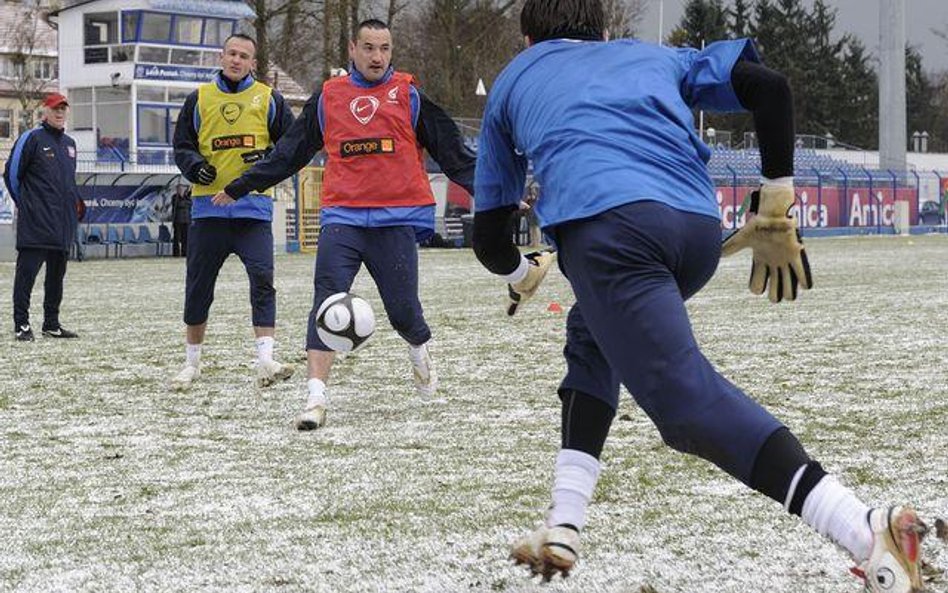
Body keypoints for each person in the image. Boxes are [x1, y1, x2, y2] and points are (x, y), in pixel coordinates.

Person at [471, 1, 928, 591]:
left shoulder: (516, 77)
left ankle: (864, 528)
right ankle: (564, 523)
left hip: (612, 232)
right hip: (693, 231)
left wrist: (517, 271)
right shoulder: (654, 55)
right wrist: (777, 195)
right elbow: (769, 87)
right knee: (593, 336)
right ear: (606, 32)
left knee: (686, 407)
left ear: (529, 39)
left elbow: (487, 235)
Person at [215, 18, 476, 430]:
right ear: (352, 49)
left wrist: (491, 190)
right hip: (343, 219)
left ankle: (419, 349)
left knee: (404, 314)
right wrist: (242, 185)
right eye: (369, 47)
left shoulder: (409, 96)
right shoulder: (329, 97)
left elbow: (452, 151)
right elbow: (291, 151)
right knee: (326, 302)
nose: (377, 56)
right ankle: (315, 399)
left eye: (384, 48)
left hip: (394, 221)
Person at [170, 33, 296, 391]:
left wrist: (266, 162)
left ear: (254, 63)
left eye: (245, 56)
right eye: (232, 54)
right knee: (198, 287)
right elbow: (181, 146)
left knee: (262, 280)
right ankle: (191, 364)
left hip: (253, 211)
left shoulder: (269, 99)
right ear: (221, 57)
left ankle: (266, 359)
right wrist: (194, 167)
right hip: (208, 212)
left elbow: (290, 146)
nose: (237, 60)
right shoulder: (199, 99)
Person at [3, 92, 82, 341]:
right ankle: (22, 325)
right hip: (36, 224)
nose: (59, 113)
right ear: (44, 112)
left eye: (63, 109)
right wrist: (27, 205)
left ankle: (51, 323)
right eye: (55, 108)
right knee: (26, 276)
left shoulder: (70, 144)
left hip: (62, 225)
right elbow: (11, 175)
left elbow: (67, 182)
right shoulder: (31, 138)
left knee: (56, 279)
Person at [171, 184, 192, 257]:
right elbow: (178, 204)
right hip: (178, 220)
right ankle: (176, 253)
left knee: (185, 237)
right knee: (177, 237)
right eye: (180, 189)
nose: (182, 190)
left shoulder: (187, 197)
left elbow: (190, 204)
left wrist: (186, 195)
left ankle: (185, 252)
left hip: (186, 220)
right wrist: (180, 196)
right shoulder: (175, 197)